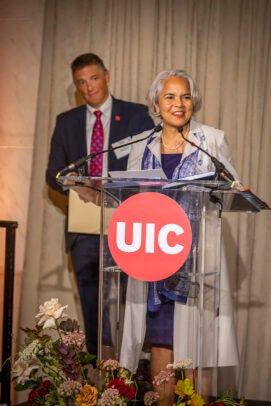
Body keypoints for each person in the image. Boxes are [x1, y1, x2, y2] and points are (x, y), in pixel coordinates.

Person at [119, 69, 240, 404]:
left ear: (193, 101)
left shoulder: (212, 139)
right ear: (156, 104)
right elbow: (126, 197)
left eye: (185, 96)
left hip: (197, 262)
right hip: (154, 259)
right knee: (162, 340)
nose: (179, 103)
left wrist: (219, 188)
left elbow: (231, 192)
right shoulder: (140, 145)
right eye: (170, 96)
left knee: (197, 340)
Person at [46, 53, 154, 359]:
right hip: (85, 228)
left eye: (93, 78)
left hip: (128, 223)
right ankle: (99, 371)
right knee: (93, 306)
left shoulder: (135, 115)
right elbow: (52, 174)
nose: (88, 86)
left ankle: (134, 370)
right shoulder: (66, 122)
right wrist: (79, 185)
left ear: (107, 75)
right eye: (81, 82)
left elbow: (148, 167)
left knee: (131, 303)